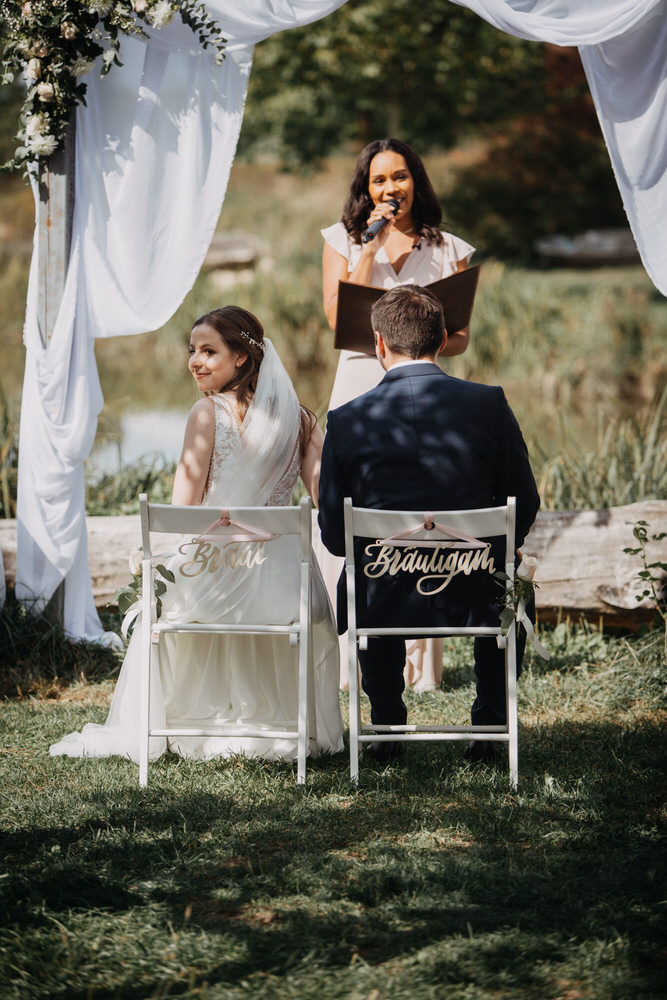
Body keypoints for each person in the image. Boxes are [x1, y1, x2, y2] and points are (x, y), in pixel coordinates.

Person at [50, 307, 343, 763]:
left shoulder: (206, 414)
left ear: (243, 357)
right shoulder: (302, 420)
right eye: (192, 350)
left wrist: (151, 561)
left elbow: (181, 516)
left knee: (162, 599)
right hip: (282, 586)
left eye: (209, 351)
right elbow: (324, 499)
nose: (195, 361)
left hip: (214, 575)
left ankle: (186, 719)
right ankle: (279, 720)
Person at [318, 285, 540, 762]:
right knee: (513, 584)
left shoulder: (345, 419)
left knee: (361, 571)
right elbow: (524, 497)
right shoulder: (490, 403)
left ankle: (388, 728)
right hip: (476, 587)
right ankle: (490, 730)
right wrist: (505, 546)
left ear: (378, 343)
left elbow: (336, 537)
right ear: (442, 338)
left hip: (382, 591)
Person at [321, 138, 476, 692]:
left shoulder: (449, 247)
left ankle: (422, 663)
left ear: (417, 180)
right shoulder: (340, 240)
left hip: (424, 392)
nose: (391, 189)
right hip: (361, 383)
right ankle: (349, 658)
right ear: (366, 189)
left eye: (400, 177)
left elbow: (457, 340)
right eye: (379, 181)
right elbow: (338, 318)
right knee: (353, 508)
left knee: (422, 508)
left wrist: (426, 344)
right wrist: (368, 246)